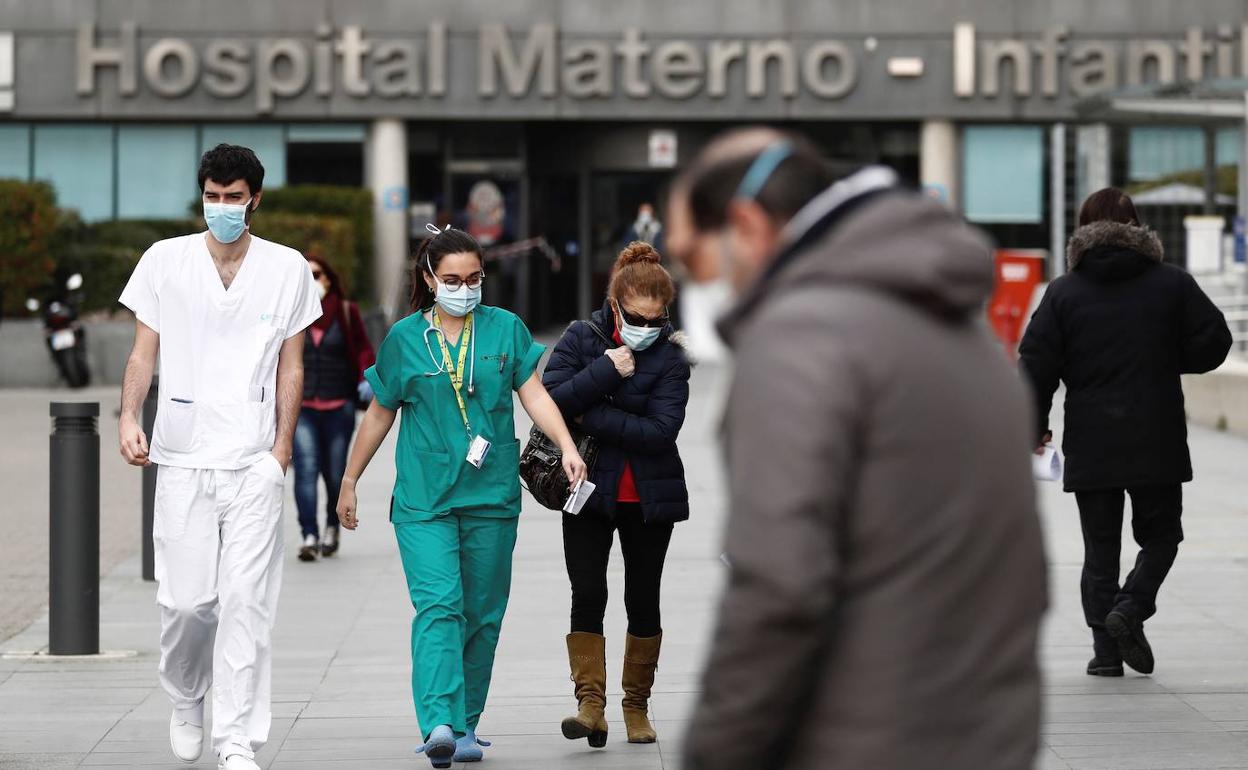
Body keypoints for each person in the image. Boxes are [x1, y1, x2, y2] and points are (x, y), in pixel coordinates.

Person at [666, 128, 1048, 770]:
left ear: (746, 225)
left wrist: (714, 753)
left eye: (690, 258)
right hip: (990, 733)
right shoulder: (956, 324)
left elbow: (778, 591)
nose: (688, 283)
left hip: (859, 738)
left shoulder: (799, 339)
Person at [334, 225, 587, 769]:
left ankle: (466, 723)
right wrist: (350, 480)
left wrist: (567, 445)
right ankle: (439, 723)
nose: (465, 289)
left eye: (474, 278)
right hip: (424, 499)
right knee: (439, 605)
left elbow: (533, 393)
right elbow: (379, 412)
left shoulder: (505, 329)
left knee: (482, 613)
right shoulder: (405, 338)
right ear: (430, 279)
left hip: (490, 495)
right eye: (452, 280)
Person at [116, 144, 322, 770]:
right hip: (183, 456)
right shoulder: (165, 260)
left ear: (255, 199)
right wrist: (128, 416)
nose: (223, 207)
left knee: (245, 602)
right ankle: (186, 697)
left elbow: (292, 365)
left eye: (234, 197)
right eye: (213, 196)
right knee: (186, 603)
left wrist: (280, 451)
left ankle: (235, 738)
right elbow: (143, 352)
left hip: (254, 458)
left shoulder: (287, 267)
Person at [1019, 188, 1231, 677]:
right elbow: (1216, 341)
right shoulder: (1172, 283)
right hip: (1156, 433)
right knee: (1162, 536)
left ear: (1082, 229)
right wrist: (1165, 359)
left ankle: (1106, 654)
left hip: (1092, 438)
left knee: (1100, 552)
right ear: (1136, 224)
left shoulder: (1064, 292)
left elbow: (1035, 364)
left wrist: (1035, 427)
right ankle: (1131, 607)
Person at [541, 241, 691, 748]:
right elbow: (550, 400)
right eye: (636, 318)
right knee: (587, 593)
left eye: (656, 319)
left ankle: (636, 705)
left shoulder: (671, 356)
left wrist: (590, 413)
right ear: (615, 305)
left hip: (650, 498)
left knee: (643, 597)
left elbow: (661, 431)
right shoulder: (581, 338)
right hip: (587, 491)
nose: (647, 328)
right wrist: (606, 370)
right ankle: (590, 704)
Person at [293, 256, 376, 561]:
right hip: (302, 407)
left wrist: (366, 376)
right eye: (306, 275)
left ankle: (331, 527)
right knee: (305, 470)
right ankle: (309, 535)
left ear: (328, 278)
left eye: (316, 274)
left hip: (339, 406)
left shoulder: (345, 311)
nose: (312, 281)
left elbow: (364, 349)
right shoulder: (292, 313)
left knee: (334, 473)